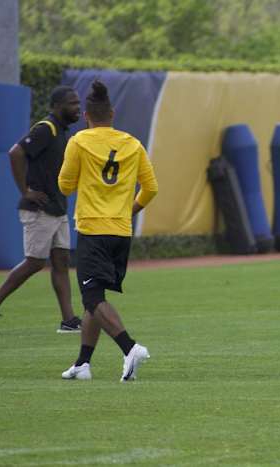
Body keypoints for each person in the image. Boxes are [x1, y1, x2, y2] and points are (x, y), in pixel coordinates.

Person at [58, 80, 158, 382]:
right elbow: (151, 189)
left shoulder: (79, 142)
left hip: (92, 228)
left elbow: (65, 185)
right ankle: (83, 364)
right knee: (95, 295)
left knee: (91, 298)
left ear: (87, 116)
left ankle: (129, 348)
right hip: (121, 231)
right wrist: (130, 209)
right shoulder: (132, 143)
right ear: (112, 114)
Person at [0, 86, 83, 335]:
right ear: (56, 106)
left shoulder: (62, 132)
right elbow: (16, 152)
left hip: (57, 207)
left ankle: (68, 320)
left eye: (78, 103)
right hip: (40, 208)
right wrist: (26, 191)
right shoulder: (47, 128)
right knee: (34, 262)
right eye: (72, 103)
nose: (78, 108)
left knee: (61, 261)